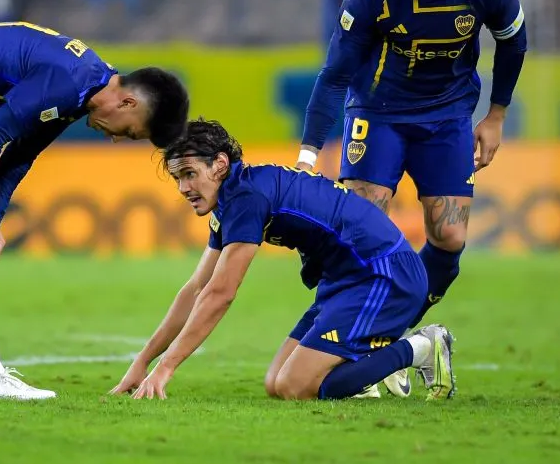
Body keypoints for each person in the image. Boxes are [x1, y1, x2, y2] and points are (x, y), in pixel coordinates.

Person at [296, 0, 526, 396]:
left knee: (450, 240)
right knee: (360, 233)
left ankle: (385, 342)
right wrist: (309, 153)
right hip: (378, 115)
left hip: (447, 118)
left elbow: (514, 43)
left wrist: (496, 116)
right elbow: (335, 75)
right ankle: (336, 347)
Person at [0, 21, 189, 400]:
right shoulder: (69, 83)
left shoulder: (82, 89)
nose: (114, 139)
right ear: (128, 103)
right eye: (128, 132)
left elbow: (19, 157)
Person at [110, 119, 455, 402]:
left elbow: (220, 294)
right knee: (277, 384)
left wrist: (166, 368)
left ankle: (422, 347)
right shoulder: (233, 197)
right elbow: (196, 289)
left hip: (383, 274)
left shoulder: (246, 198)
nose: (183, 188)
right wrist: (142, 363)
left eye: (189, 174)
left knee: (296, 385)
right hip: (345, 281)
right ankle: (359, 373)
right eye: (177, 178)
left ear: (219, 165)